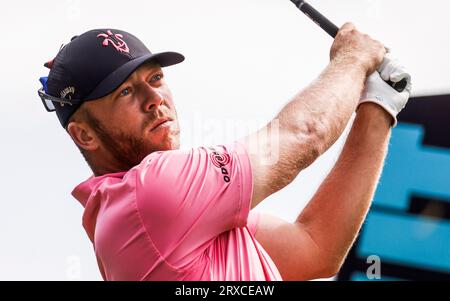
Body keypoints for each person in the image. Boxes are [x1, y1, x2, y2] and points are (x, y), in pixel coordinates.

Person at [38, 24, 411, 280]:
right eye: (124, 92)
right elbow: (303, 134)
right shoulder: (150, 193)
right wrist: (353, 59)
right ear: (85, 135)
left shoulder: (168, 214)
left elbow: (316, 248)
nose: (154, 99)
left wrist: (377, 106)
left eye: (155, 79)